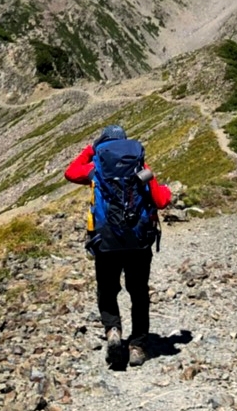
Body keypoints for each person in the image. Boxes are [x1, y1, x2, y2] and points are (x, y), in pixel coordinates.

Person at [64, 123, 172, 369]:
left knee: (107, 289)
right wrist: (165, 189)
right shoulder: (141, 168)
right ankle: (137, 346)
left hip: (106, 240)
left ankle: (113, 330)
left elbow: (70, 173)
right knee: (139, 292)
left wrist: (89, 150)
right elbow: (161, 201)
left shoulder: (96, 168)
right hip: (138, 241)